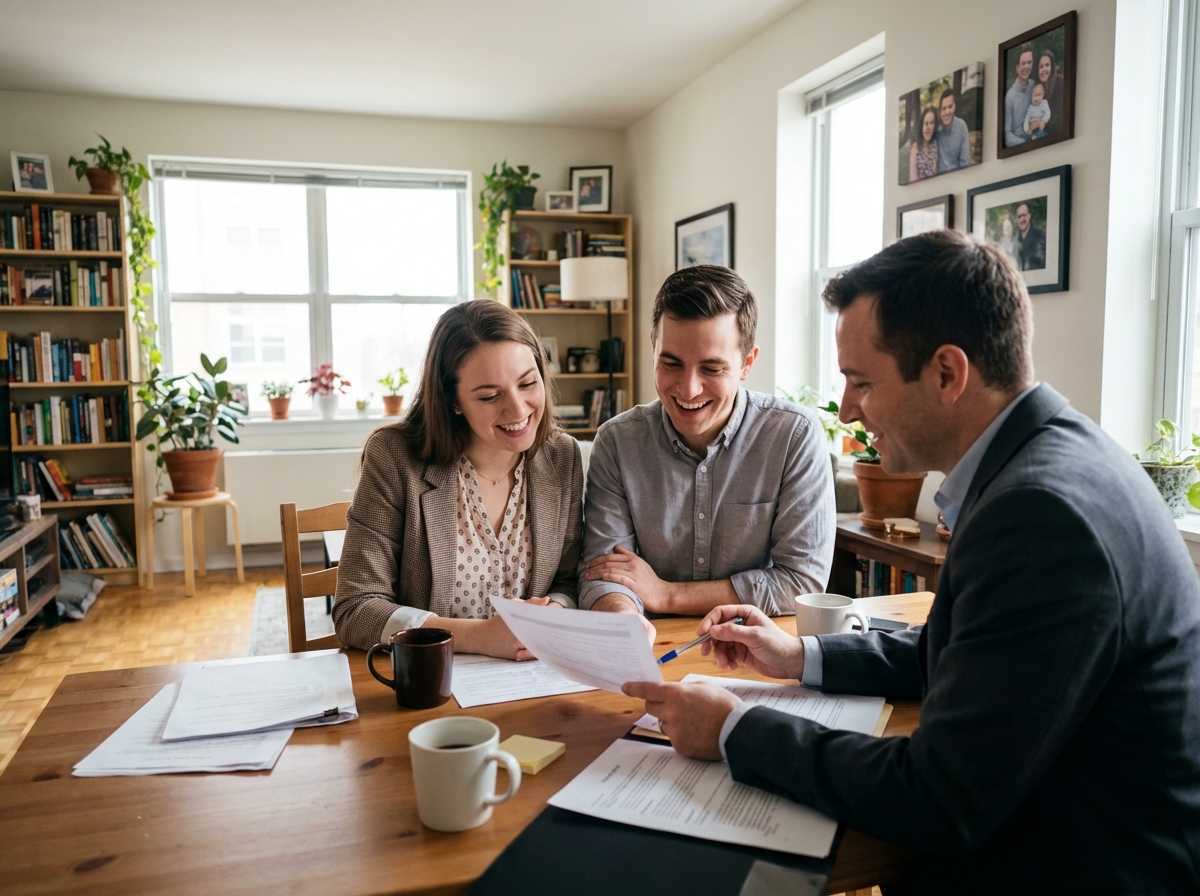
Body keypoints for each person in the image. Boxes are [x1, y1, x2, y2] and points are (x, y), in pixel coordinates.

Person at [624, 230, 1200, 893]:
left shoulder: (1042, 513)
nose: (845, 410)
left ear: (947, 373)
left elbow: (938, 798)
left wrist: (736, 729)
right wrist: (800, 658)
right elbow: (967, 655)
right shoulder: (1047, 460)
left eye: (860, 381)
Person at [580, 265, 835, 621]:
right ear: (653, 348)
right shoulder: (617, 442)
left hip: (763, 652)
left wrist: (668, 595)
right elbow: (604, 574)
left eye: (712, 369)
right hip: (651, 645)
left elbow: (801, 583)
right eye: (671, 363)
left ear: (747, 363)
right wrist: (627, 624)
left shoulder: (794, 436)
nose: (688, 389)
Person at [332, 301, 583, 657]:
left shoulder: (562, 457)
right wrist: (479, 636)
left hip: (532, 677)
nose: (518, 409)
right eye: (490, 396)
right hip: (433, 683)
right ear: (453, 400)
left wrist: (550, 617)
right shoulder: (394, 458)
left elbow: (569, 580)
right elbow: (356, 610)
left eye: (528, 383)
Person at [1004, 46, 1035, 147]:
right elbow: (1007, 135)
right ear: (1017, 68)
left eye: (1029, 62)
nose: (1026, 66)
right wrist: (1026, 144)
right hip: (1021, 144)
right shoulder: (1010, 97)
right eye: (1023, 63)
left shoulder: (1034, 85)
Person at [933, 89, 970, 173]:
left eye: (950, 107)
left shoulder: (962, 126)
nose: (947, 112)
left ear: (954, 106)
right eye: (943, 108)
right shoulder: (935, 129)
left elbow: (965, 162)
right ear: (939, 111)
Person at [1037, 48, 1066, 136]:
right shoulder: (1038, 89)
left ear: (1052, 67)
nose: (1044, 69)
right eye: (1041, 66)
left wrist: (1043, 122)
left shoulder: (1059, 82)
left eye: (1047, 65)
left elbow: (1062, 117)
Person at [907, 107, 938, 183]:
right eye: (926, 123)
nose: (928, 127)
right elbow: (913, 178)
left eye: (931, 123)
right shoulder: (915, 148)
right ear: (921, 126)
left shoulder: (935, 145)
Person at [1015, 202, 1046, 270]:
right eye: (1019, 217)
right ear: (1017, 220)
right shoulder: (1015, 239)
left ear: (1029, 216)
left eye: (1024, 215)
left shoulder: (1039, 234)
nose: (1022, 219)